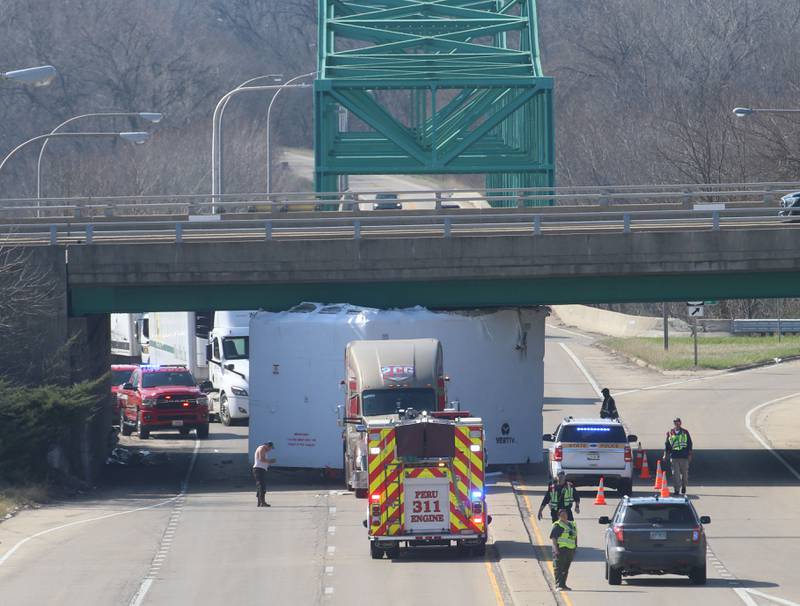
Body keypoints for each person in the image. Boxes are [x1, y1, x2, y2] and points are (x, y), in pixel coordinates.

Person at [550, 508, 578, 591]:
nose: (564, 516)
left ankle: (563, 584)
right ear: (559, 516)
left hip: (570, 549)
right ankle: (558, 585)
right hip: (561, 549)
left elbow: (575, 536)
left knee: (566, 568)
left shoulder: (572, 524)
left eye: (565, 514)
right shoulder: (558, 525)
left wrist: (575, 546)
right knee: (558, 568)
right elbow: (554, 538)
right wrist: (555, 549)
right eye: (562, 515)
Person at [663, 418, 693, 494]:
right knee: (675, 475)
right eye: (675, 422)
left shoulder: (685, 432)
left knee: (685, 474)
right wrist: (665, 455)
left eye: (678, 422)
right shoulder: (670, 433)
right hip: (674, 457)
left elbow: (689, 443)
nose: (677, 424)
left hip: (684, 457)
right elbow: (667, 445)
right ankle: (676, 489)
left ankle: (684, 486)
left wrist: (690, 454)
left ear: (680, 423)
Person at [253, 441, 276, 507]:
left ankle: (260, 502)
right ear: (267, 446)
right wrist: (270, 461)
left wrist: (268, 464)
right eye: (270, 448)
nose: (270, 450)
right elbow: (261, 459)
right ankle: (262, 502)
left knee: (260, 485)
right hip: (258, 469)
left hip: (260, 469)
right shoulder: (262, 448)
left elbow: (262, 460)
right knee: (261, 486)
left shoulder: (263, 449)